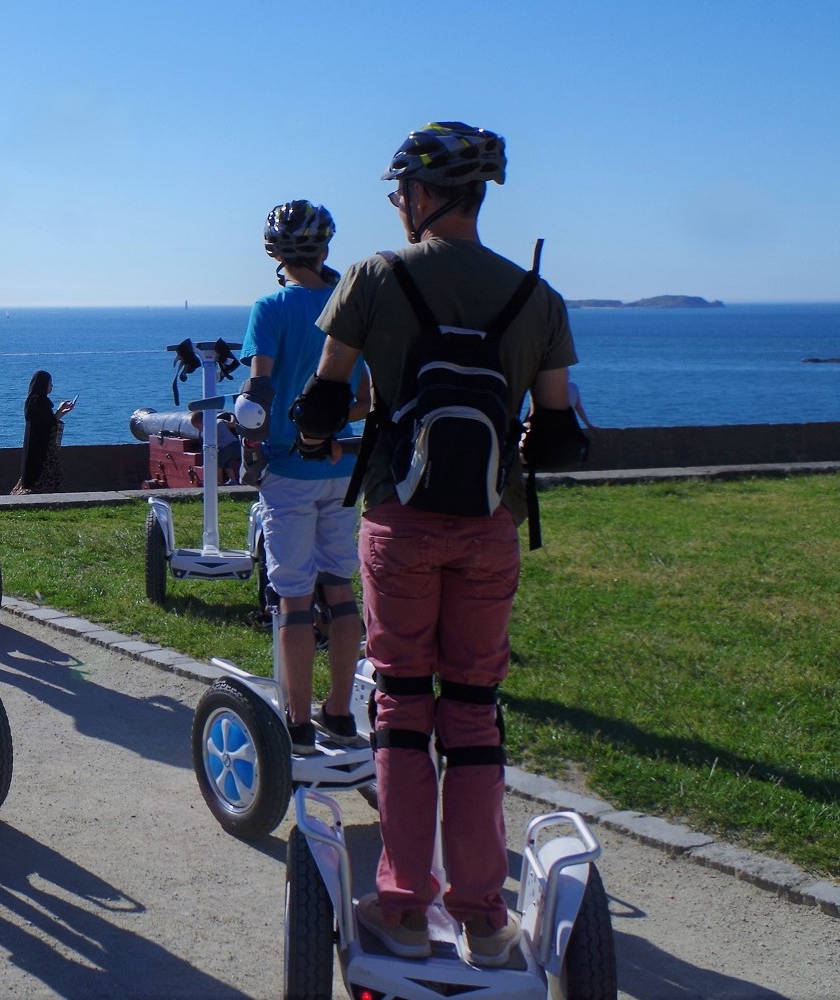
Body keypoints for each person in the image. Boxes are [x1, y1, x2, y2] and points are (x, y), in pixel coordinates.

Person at [290, 122, 586, 967]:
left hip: (400, 521)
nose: (397, 205)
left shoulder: (375, 276)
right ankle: (486, 917)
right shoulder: (539, 296)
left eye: (399, 192)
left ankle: (402, 905)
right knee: (474, 713)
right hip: (492, 526)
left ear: (423, 195)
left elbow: (321, 402)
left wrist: (319, 438)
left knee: (402, 708)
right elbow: (559, 434)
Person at [240, 200, 372, 754]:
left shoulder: (269, 308)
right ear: (325, 247)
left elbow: (258, 393)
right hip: (341, 466)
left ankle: (295, 720)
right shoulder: (352, 306)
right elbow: (367, 399)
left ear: (273, 251)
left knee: (294, 597)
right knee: (340, 588)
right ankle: (339, 713)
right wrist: (332, 424)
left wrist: (249, 433)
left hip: (287, 472)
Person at [12, 370, 73, 494]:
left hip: (35, 445)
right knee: (49, 474)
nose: (52, 386)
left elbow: (48, 421)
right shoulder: (41, 402)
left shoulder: (32, 401)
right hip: (43, 447)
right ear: (43, 383)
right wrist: (59, 412)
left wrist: (61, 411)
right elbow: (48, 423)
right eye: (50, 382)